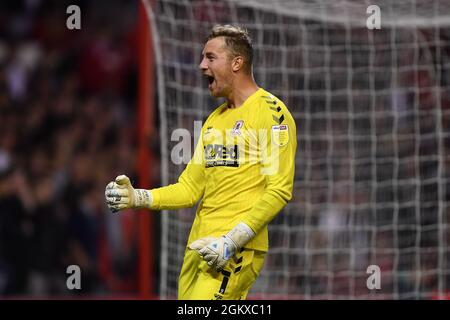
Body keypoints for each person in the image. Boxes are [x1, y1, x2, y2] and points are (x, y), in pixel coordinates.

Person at [105, 24, 297, 300]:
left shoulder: (272, 113)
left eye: (210, 57)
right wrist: (138, 197)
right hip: (198, 249)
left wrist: (232, 242)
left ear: (236, 63)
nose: (201, 66)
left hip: (233, 251)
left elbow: (279, 190)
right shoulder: (214, 121)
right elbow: (189, 189)